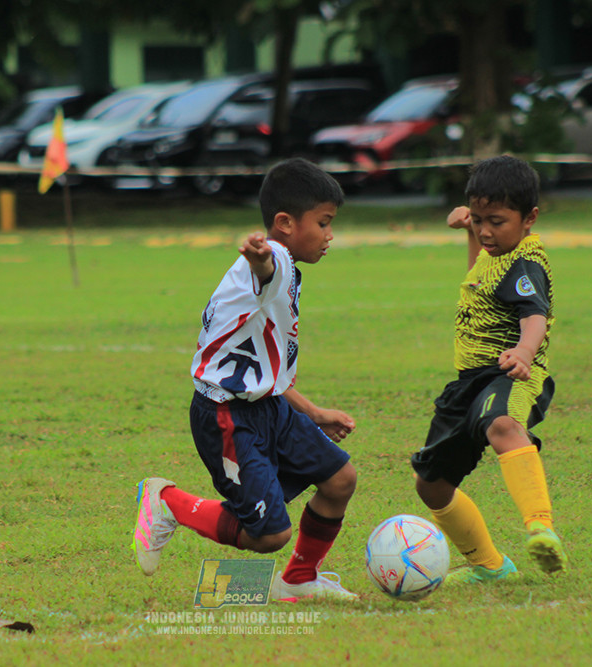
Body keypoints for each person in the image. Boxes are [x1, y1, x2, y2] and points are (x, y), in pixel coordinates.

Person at [131, 158, 359, 601]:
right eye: (324, 222)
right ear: (285, 223)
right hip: (227, 417)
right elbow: (266, 273)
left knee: (340, 479)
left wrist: (313, 412)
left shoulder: (286, 266)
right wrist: (260, 260)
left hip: (269, 407)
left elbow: (261, 363)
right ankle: (168, 503)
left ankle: (300, 579)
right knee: (269, 534)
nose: (330, 234)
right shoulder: (274, 260)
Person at [410, 154, 567, 583]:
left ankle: (541, 528)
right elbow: (480, 278)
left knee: (502, 425)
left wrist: (524, 351)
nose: (485, 231)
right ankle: (490, 566)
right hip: (469, 382)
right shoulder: (493, 251)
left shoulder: (525, 263)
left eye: (496, 221)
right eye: (478, 219)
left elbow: (534, 315)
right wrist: (469, 234)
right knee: (432, 484)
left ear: (529, 218)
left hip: (510, 373)